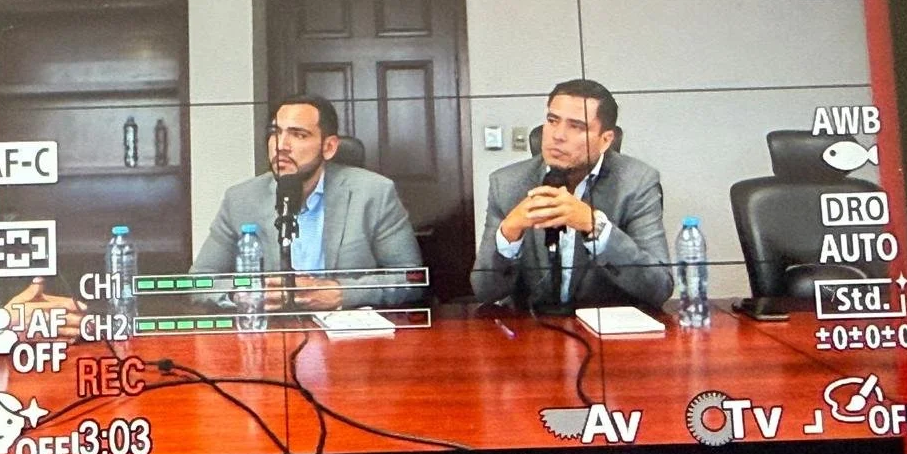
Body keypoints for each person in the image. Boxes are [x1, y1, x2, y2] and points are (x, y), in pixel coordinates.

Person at [190, 93, 423, 310]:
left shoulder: (374, 193)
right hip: (273, 330)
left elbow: (413, 279)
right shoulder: (241, 199)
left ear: (329, 147)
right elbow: (197, 281)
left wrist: (342, 293)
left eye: (299, 135)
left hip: (345, 331)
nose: (281, 145)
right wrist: (243, 292)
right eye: (275, 133)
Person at [472, 79, 672, 311]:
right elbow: (484, 291)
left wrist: (596, 227)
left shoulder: (636, 183)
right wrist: (509, 232)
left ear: (605, 140)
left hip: (605, 327)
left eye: (576, 126)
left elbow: (659, 288)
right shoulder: (507, 184)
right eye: (552, 121)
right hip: (531, 328)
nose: (558, 135)